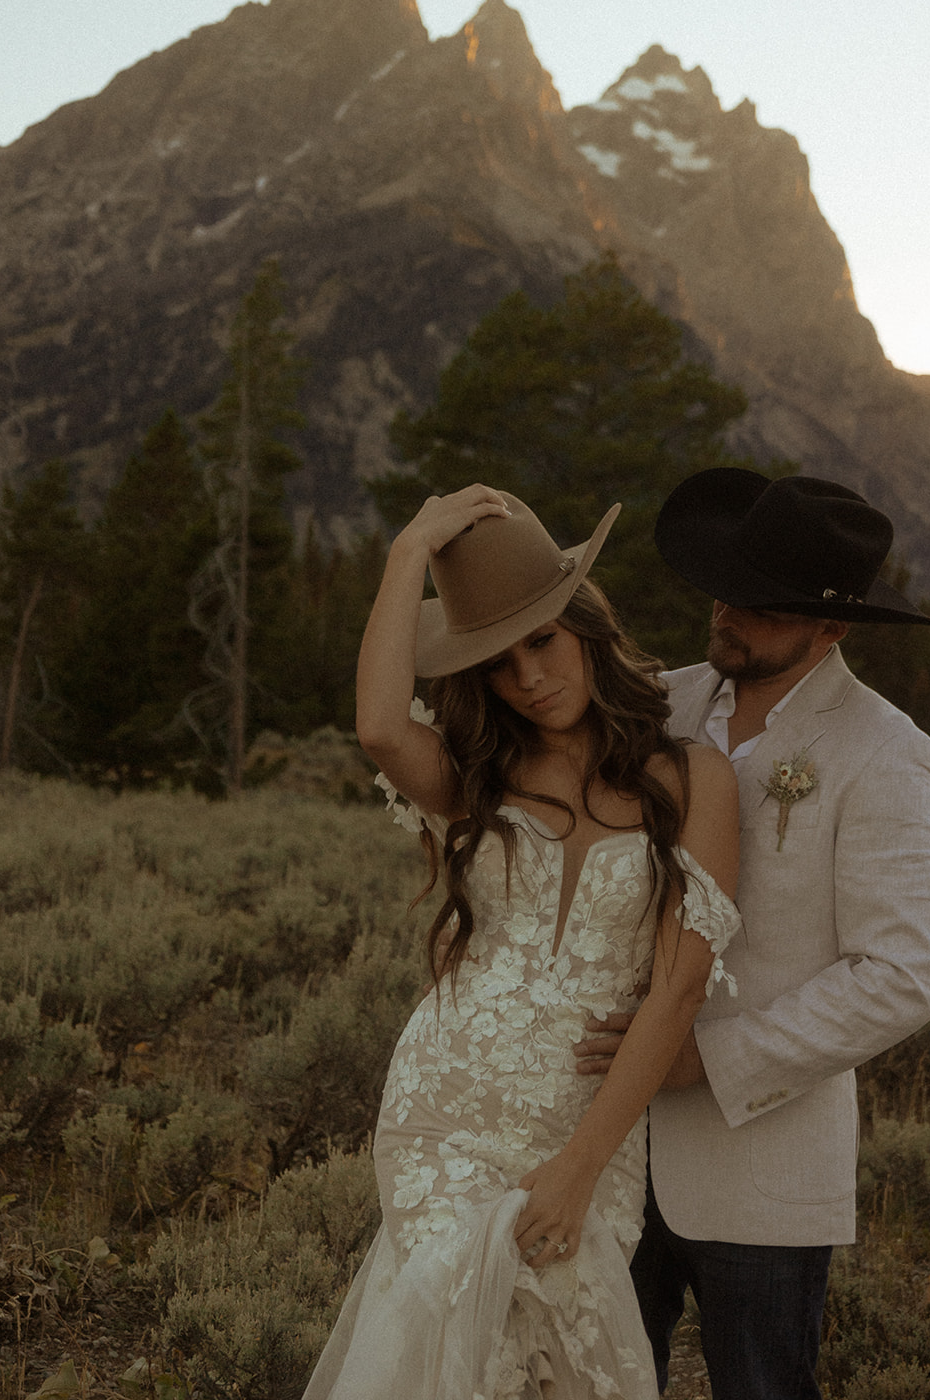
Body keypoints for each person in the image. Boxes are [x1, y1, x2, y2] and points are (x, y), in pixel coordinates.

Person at [301, 483, 740, 1400]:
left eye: (542, 640)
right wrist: (408, 550)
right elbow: (381, 726)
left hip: (580, 1127)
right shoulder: (481, 778)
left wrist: (578, 1168)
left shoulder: (694, 778)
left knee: (555, 1363)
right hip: (443, 1110)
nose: (528, 676)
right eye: (497, 662)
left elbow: (677, 989)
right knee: (444, 1339)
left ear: (585, 625)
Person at [576, 469, 930, 1400]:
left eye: (761, 603)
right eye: (726, 585)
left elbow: (900, 975)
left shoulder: (884, 750)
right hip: (606, 1147)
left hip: (765, 1175)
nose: (727, 611)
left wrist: (702, 1057)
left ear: (832, 628)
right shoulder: (657, 704)